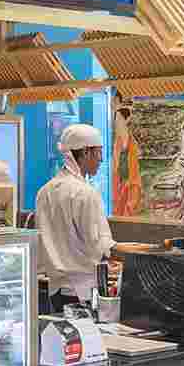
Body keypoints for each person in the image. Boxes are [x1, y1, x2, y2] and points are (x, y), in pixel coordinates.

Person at [34, 123, 115, 309]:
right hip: (83, 291)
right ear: (86, 152)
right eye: (99, 152)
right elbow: (98, 244)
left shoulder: (45, 191)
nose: (101, 159)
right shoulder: (86, 193)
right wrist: (132, 253)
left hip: (56, 290)